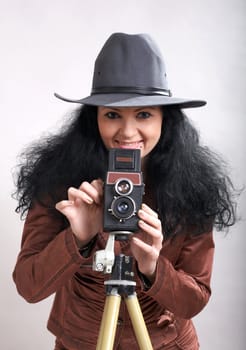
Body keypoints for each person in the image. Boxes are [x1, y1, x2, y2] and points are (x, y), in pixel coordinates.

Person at [13, 33, 236, 350]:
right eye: (112, 115)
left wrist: (153, 268)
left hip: (165, 343)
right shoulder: (60, 181)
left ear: (164, 119)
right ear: (95, 119)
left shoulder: (192, 190)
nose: (128, 132)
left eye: (144, 114)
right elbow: (29, 285)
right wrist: (78, 239)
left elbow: (194, 301)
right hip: (81, 342)